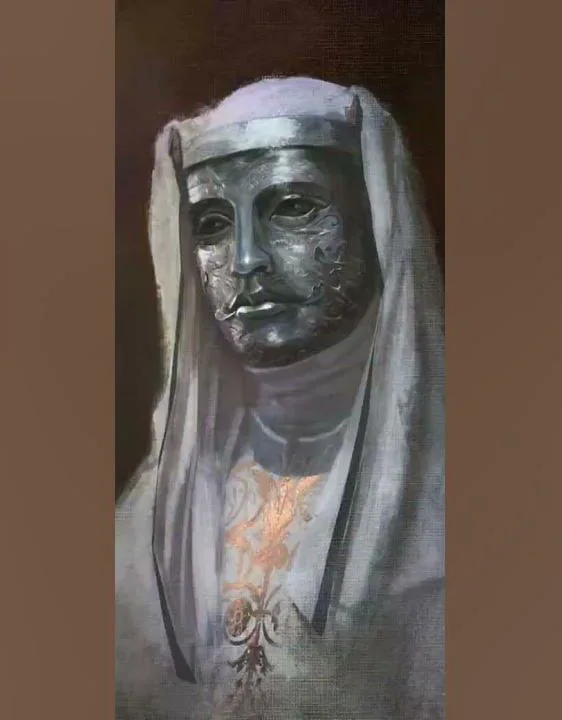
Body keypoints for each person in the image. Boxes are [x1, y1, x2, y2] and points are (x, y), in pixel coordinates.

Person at [115, 76, 445, 719]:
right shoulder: (149, 520)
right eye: (212, 223)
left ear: (373, 217)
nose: (246, 260)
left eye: (292, 206)